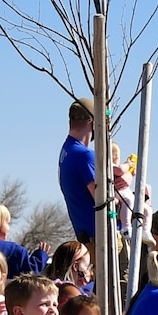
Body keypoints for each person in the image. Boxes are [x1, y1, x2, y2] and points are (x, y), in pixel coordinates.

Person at [58, 100, 98, 243]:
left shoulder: (66, 152)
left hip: (86, 238)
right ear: (94, 123)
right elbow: (103, 201)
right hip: (101, 241)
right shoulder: (84, 156)